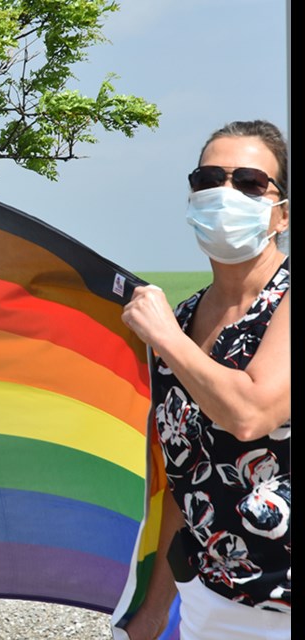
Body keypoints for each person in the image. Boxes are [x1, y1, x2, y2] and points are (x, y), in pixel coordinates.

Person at [121, 120, 290, 640]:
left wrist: (166, 341)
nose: (226, 193)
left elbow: (250, 412)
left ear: (281, 213)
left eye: (249, 183)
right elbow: (183, 477)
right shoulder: (184, 316)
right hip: (207, 600)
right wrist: (151, 614)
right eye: (209, 179)